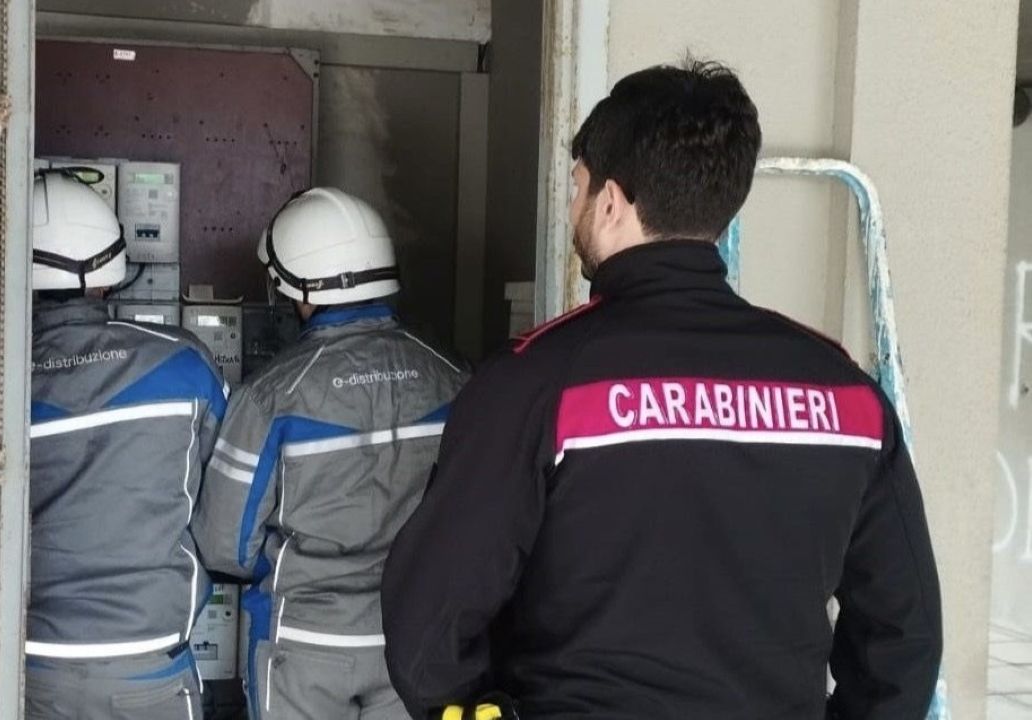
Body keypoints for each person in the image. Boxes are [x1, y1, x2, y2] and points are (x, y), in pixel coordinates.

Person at [382, 60, 943, 720]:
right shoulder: (846, 396)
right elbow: (904, 636)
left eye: (578, 187)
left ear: (611, 202)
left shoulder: (533, 383)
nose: (573, 208)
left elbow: (429, 627)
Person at [191, 187, 469, 720]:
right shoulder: (453, 377)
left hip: (306, 646)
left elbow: (224, 546)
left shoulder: (270, 396)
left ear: (300, 289)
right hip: (416, 638)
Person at [24, 170, 226, 720]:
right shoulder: (183, 362)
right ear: (110, 272)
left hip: (31, 665)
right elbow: (225, 509)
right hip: (151, 663)